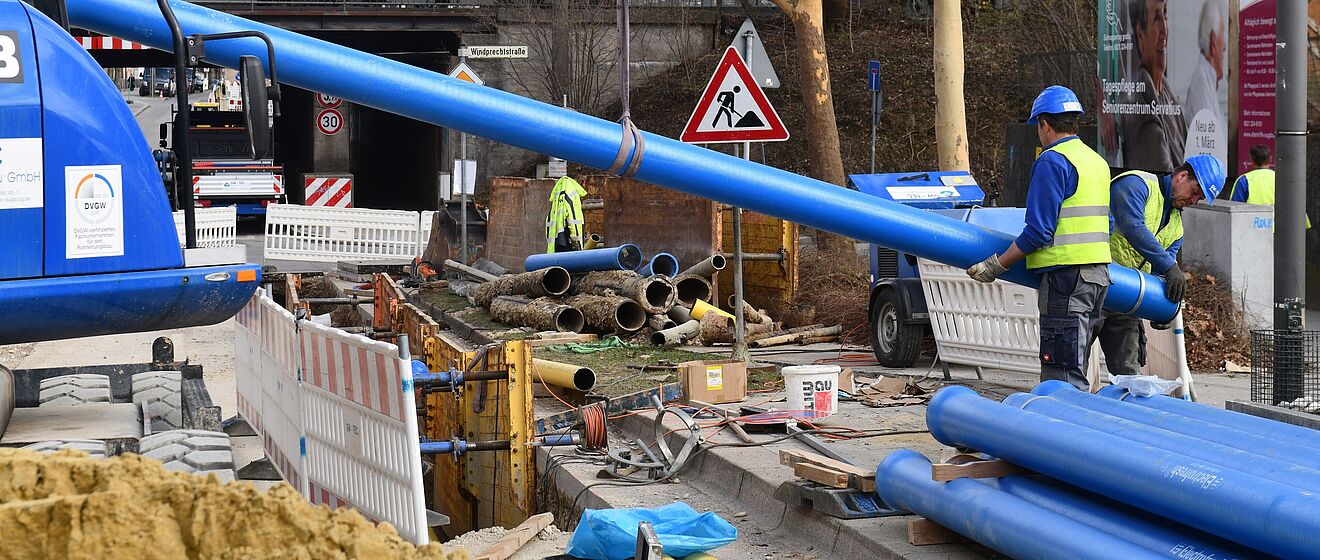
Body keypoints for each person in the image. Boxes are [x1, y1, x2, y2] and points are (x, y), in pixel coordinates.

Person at [967, 85, 1113, 390]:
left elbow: (1038, 231)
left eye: (1038, 126)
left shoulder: (1052, 161)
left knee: (1062, 377)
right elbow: (1108, 223)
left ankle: (1063, 433)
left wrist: (997, 264)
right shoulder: (1096, 162)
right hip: (1098, 278)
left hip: (1066, 280)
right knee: (1075, 366)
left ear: (1044, 123)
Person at [1099, 155, 1225, 376]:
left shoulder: (1176, 228)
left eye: (1200, 198)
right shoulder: (1136, 185)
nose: (1194, 201)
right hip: (1095, 285)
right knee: (1073, 363)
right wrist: (1170, 266)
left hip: (1124, 297)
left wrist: (1160, 308)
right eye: (1195, 192)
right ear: (1182, 176)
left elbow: (1159, 276)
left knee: (1129, 373)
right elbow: (1133, 227)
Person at [1122, 0, 1187, 172]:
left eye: (1164, 14)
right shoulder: (1143, 114)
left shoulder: (1168, 96)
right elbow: (1168, 181)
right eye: (1156, 19)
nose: (1165, 31)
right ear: (1140, 34)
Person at [1230, 144, 1312, 229]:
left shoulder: (1244, 180)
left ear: (1252, 160)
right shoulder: (1282, 179)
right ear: (1270, 159)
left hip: (1253, 231)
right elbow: (1296, 204)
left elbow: (1235, 211)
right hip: (1281, 231)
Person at [1183, 0, 1227, 131]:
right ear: (1214, 43)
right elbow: (1210, 145)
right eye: (1222, 36)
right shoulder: (1201, 82)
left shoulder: (1208, 82)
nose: (1224, 47)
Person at [545, 175, 586, 253]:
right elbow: (572, 218)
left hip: (557, 240)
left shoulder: (558, 194)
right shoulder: (572, 194)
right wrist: (575, 241)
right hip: (567, 240)